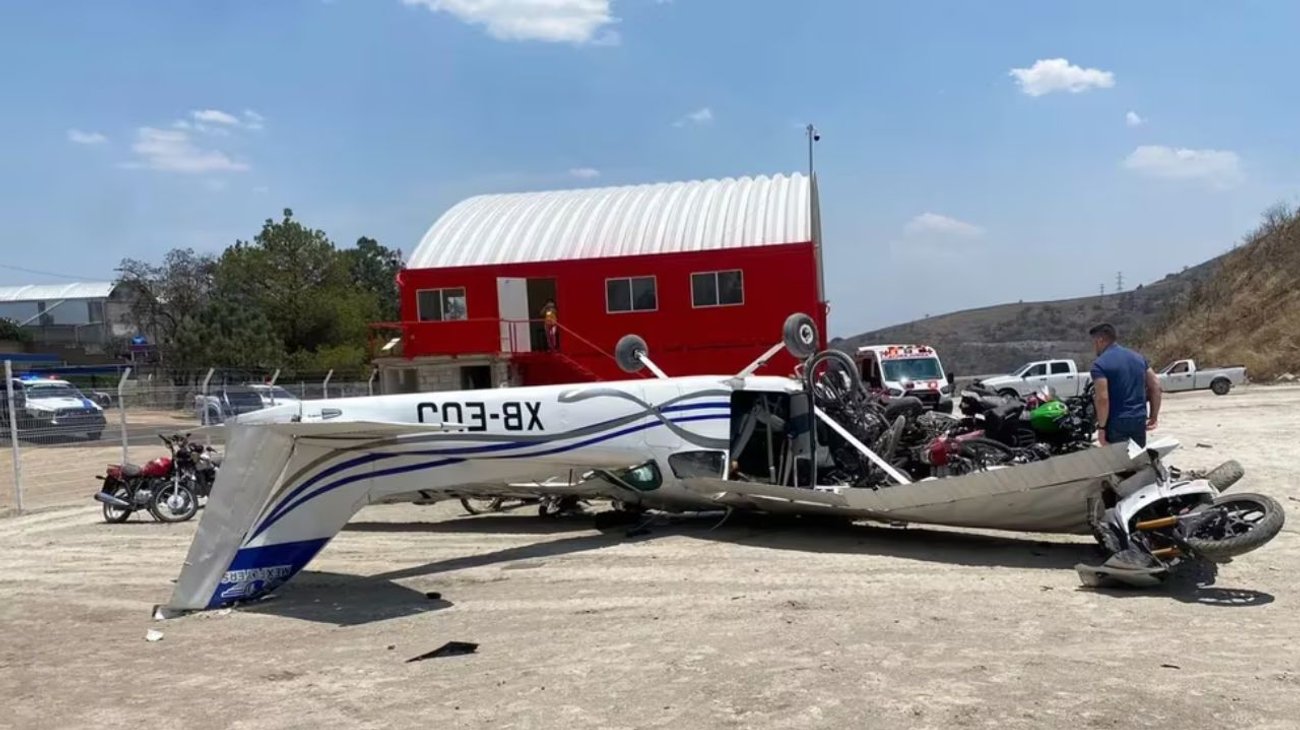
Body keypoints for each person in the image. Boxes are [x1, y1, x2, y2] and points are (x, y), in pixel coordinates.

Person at [1088, 323, 1161, 447]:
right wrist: (1153, 416)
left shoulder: (1100, 364)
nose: (1094, 347)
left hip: (1117, 421)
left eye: (1094, 343)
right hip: (1139, 417)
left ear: (1100, 340)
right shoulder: (1138, 358)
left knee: (1119, 462)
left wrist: (1102, 428)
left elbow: (1102, 399)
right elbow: (1155, 386)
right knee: (1137, 458)